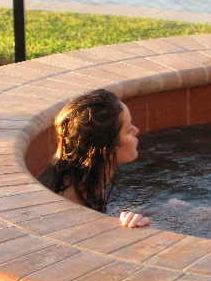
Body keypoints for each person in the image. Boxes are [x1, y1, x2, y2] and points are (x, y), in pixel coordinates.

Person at [51, 89, 150, 228]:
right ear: (106, 150)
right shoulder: (76, 206)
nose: (136, 130)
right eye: (128, 130)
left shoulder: (85, 182)